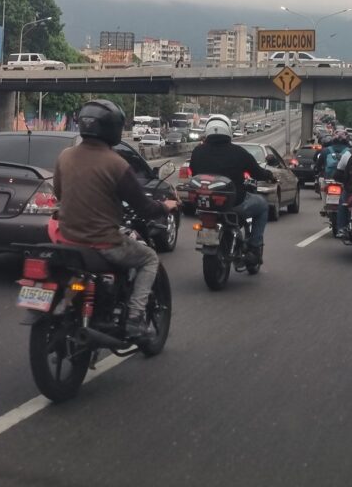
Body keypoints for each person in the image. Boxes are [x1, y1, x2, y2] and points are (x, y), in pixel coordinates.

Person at [52, 99, 178, 339]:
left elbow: (60, 193)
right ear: (113, 128)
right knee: (150, 259)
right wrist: (165, 206)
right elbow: (144, 207)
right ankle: (134, 317)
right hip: (103, 243)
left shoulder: (65, 156)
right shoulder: (116, 163)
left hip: (67, 239)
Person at [186, 114, 275, 267]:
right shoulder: (238, 152)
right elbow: (257, 172)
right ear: (228, 130)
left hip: (205, 204)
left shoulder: (197, 152)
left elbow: (194, 173)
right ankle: (254, 247)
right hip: (234, 203)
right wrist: (269, 176)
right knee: (262, 205)